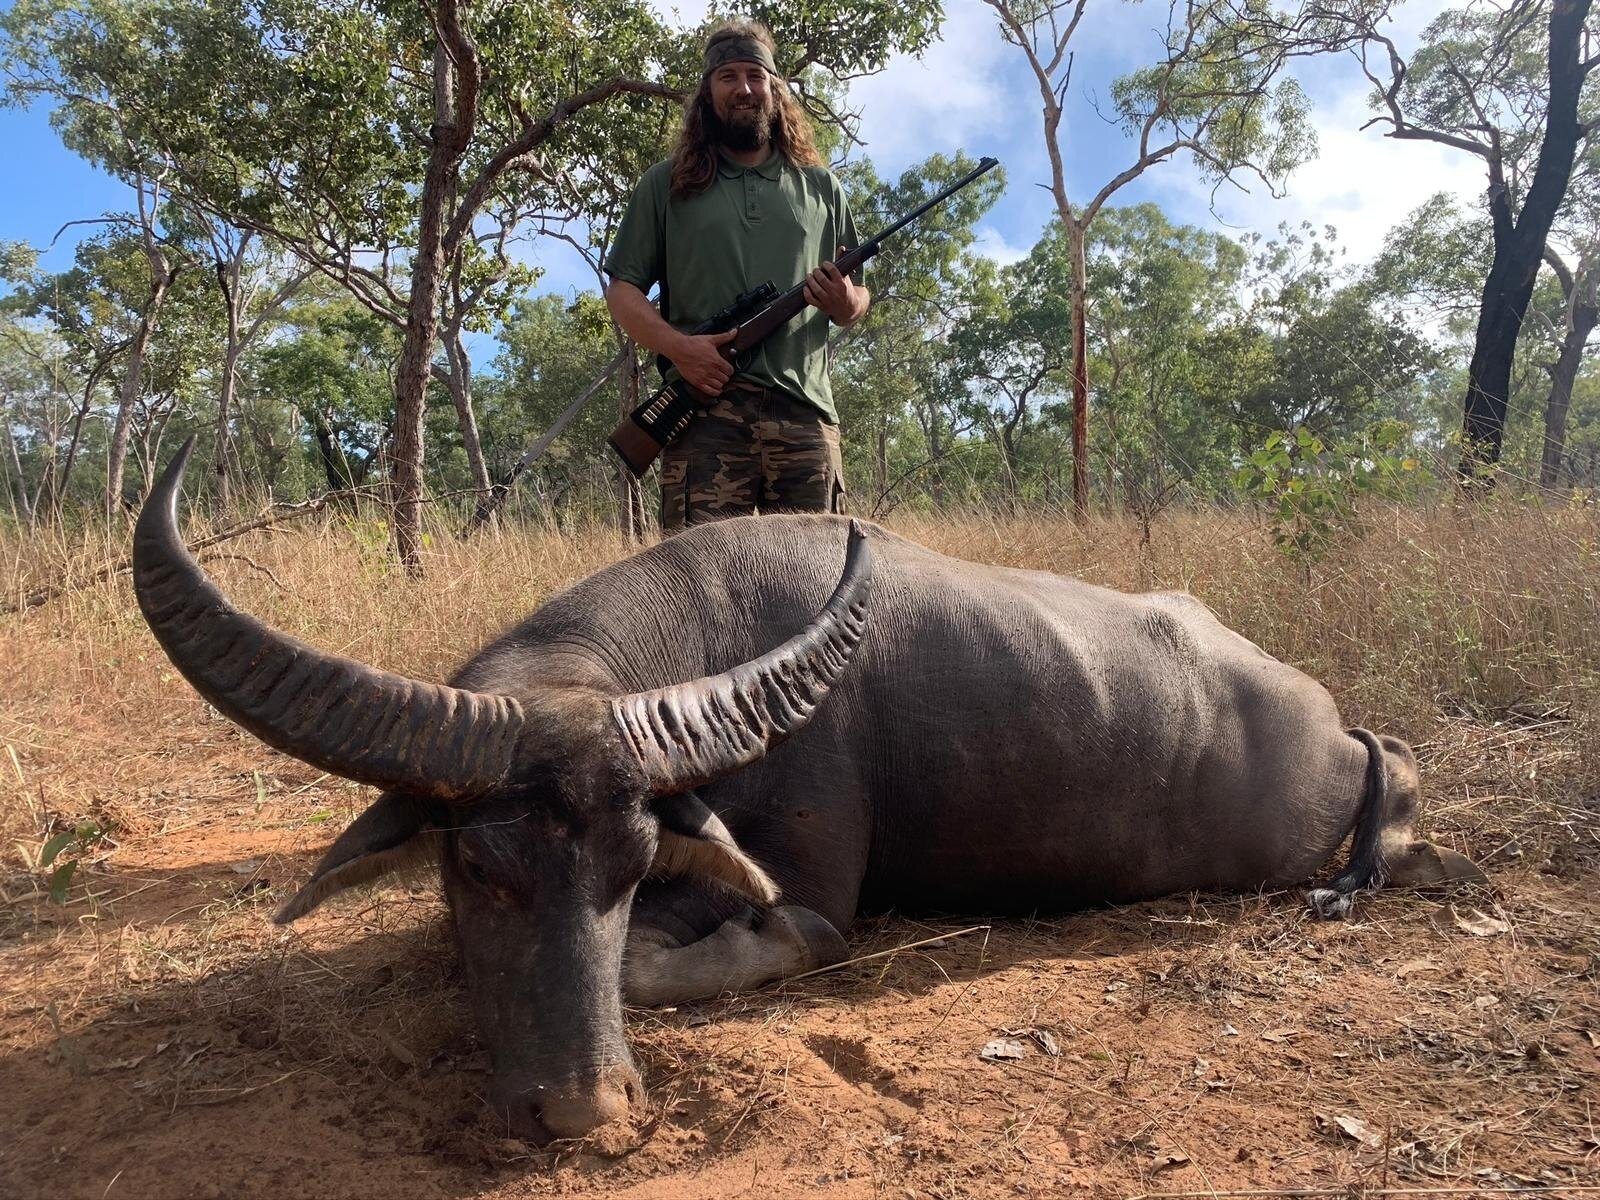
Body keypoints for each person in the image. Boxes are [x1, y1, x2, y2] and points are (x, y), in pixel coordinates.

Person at [604, 18, 870, 533]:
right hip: (704, 414)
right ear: (707, 92)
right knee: (700, 596)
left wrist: (845, 302)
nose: (744, 88)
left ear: (775, 88)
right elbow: (622, 290)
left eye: (755, 74)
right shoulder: (666, 184)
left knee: (817, 591)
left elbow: (858, 293)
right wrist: (683, 350)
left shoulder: (822, 187)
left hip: (805, 415)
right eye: (728, 76)